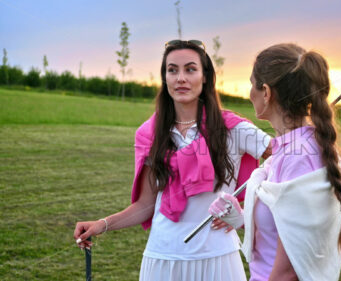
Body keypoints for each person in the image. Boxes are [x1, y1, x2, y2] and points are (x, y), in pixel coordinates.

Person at [74, 40, 271, 281]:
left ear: (205, 76)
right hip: (162, 259)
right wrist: (102, 224)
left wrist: (247, 208)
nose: (180, 78)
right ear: (165, 78)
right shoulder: (149, 133)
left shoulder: (235, 129)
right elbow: (146, 204)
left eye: (190, 69)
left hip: (218, 259)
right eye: (172, 70)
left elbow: (289, 161)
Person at [208, 43, 341, 281]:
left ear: (266, 92)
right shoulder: (288, 151)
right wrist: (242, 218)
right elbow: (284, 228)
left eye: (251, 84)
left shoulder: (301, 158)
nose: (249, 93)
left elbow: (288, 272)